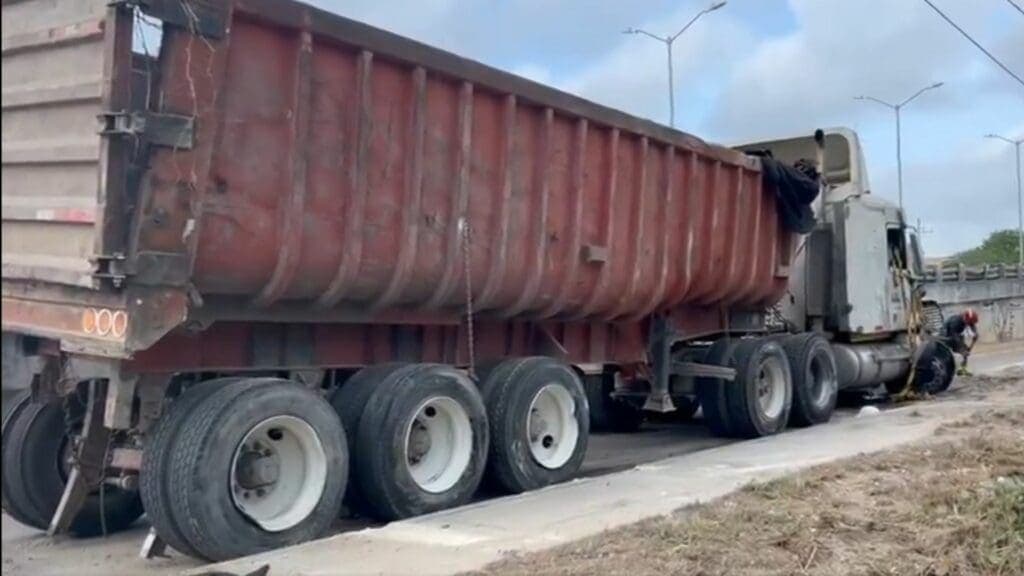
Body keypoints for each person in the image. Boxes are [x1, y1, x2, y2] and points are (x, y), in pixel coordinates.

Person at [941, 308, 978, 374]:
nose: (970, 325)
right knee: (946, 353)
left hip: (957, 335)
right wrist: (962, 349)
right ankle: (945, 370)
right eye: (969, 323)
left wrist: (975, 334)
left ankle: (963, 369)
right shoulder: (956, 321)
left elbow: (973, 328)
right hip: (946, 336)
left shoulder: (968, 320)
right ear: (965, 319)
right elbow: (955, 337)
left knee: (965, 351)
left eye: (970, 323)